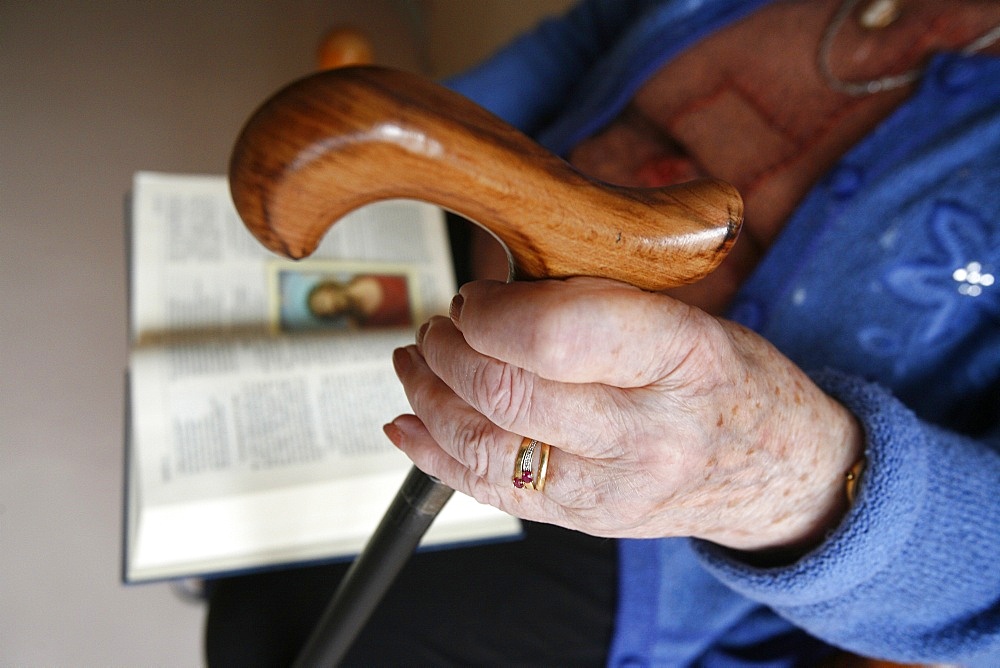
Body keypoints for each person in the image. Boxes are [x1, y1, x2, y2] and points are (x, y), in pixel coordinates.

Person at [205, 0, 1000, 665]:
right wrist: (425, 140)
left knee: (275, 627)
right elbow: (598, 35)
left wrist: (775, 472)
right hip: (475, 259)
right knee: (215, 446)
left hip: (650, 509)